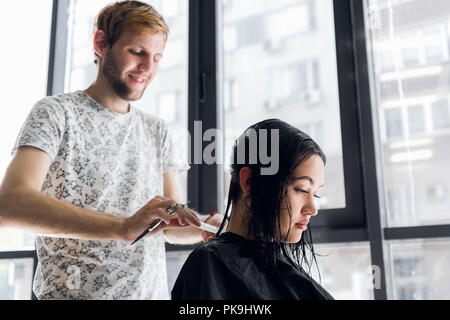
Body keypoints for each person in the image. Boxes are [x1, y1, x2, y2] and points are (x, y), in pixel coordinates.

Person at [0, 1, 221, 300]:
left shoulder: (158, 130)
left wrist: (208, 228)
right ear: (101, 43)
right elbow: (10, 205)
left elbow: (169, 226)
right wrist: (123, 227)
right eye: (137, 52)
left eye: (157, 57)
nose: (148, 68)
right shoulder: (55, 113)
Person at [171, 119, 334, 300]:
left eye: (316, 194)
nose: (313, 209)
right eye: (301, 190)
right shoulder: (211, 264)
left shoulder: (281, 268)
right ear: (249, 181)